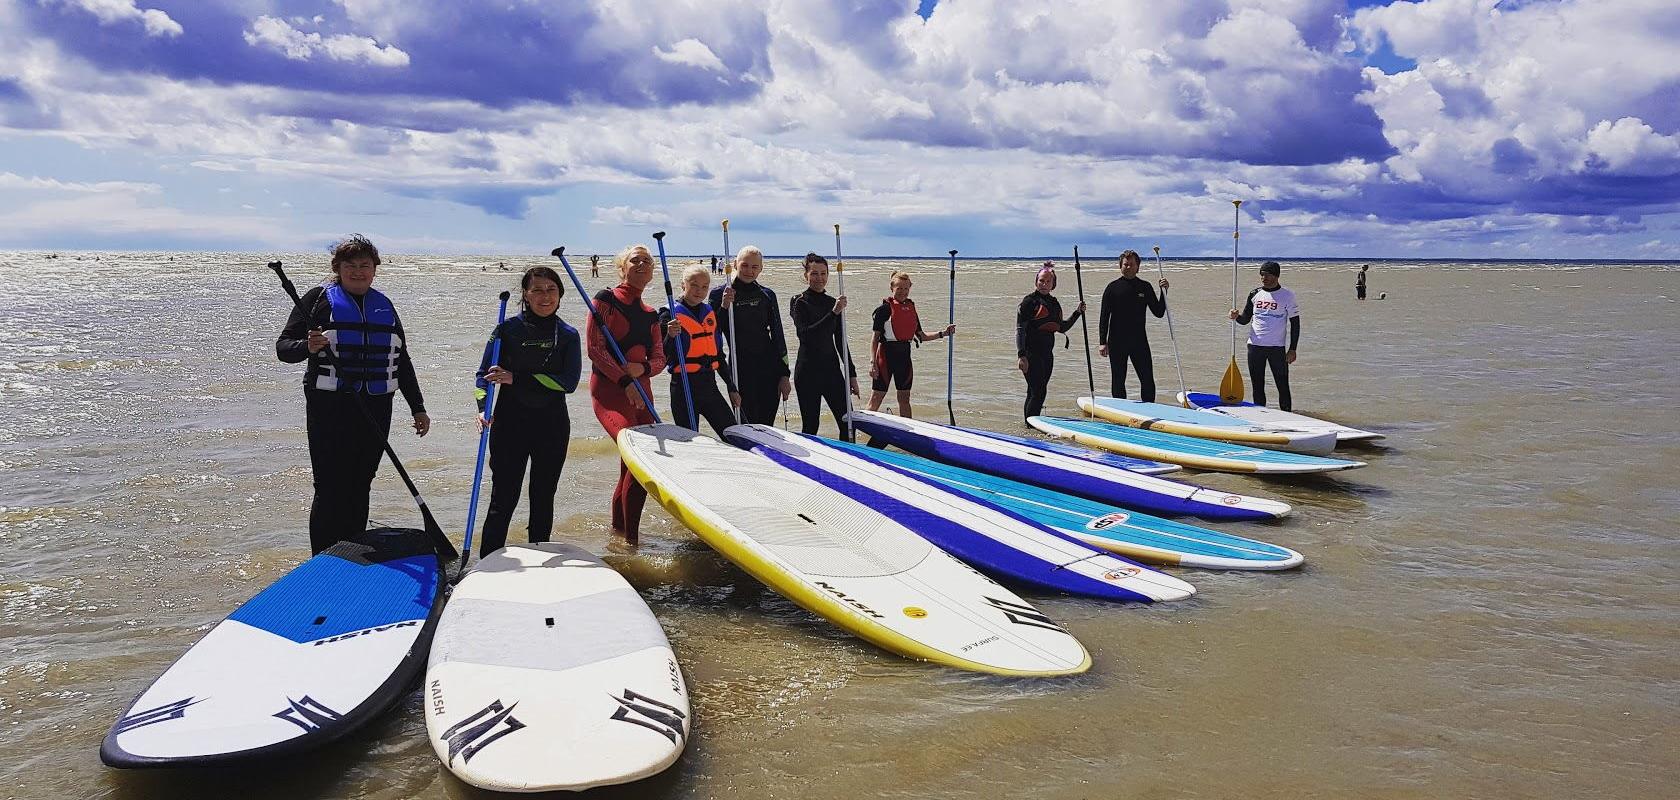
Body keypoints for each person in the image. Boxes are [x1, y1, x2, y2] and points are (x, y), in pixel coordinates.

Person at [275, 234, 430, 554]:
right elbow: (284, 348)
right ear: (337, 267)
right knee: (330, 487)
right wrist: (308, 346)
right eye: (350, 266)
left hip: (375, 406)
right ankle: (322, 556)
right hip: (329, 407)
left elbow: (401, 360)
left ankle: (353, 549)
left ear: (375, 269)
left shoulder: (384, 305)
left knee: (361, 484)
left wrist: (418, 407)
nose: (358, 272)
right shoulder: (318, 300)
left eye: (365, 265)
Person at [473, 266, 581, 558]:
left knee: (543, 497)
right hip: (510, 424)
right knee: (503, 499)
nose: (545, 296)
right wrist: (483, 408)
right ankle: (488, 562)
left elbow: (568, 383)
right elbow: (483, 375)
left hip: (552, 426)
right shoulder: (506, 330)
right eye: (537, 290)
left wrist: (517, 378)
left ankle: (540, 557)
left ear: (559, 294)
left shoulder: (568, 335)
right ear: (525, 294)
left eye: (551, 290)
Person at [588, 245, 667, 542]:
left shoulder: (650, 314)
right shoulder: (605, 300)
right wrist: (625, 380)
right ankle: (631, 541)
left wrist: (642, 370)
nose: (642, 264)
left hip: (642, 392)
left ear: (652, 272)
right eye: (635, 260)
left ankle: (620, 535)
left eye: (647, 261)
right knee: (638, 458)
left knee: (630, 468)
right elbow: (595, 350)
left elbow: (660, 358)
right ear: (622, 267)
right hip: (611, 391)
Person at [710, 246, 790, 424]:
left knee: (766, 424)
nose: (749, 271)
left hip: (769, 369)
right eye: (744, 265)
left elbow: (778, 336)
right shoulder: (719, 294)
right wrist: (723, 307)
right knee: (745, 424)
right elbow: (712, 334)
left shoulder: (767, 295)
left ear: (761, 269)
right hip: (740, 369)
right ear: (734, 265)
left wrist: (785, 375)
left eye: (754, 267)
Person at [660, 264, 740, 437]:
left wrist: (731, 386)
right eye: (694, 285)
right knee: (691, 442)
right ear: (683, 285)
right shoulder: (669, 315)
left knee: (732, 434)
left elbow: (717, 354)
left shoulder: (709, 312)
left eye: (704, 287)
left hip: (710, 387)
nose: (699, 290)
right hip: (683, 388)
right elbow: (662, 355)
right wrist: (670, 336)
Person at [789, 253, 860, 439]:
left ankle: (848, 459)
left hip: (832, 372)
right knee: (811, 425)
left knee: (848, 423)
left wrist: (851, 374)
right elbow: (806, 335)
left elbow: (840, 341)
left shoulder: (832, 302)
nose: (819, 278)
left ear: (828, 275)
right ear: (806, 276)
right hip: (807, 373)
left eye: (823, 273)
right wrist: (834, 313)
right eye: (814, 273)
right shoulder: (799, 302)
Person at [868, 271, 954, 417]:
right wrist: (872, 363)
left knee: (904, 398)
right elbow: (875, 338)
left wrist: (943, 333)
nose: (902, 292)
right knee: (877, 396)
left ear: (910, 289)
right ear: (892, 288)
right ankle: (865, 424)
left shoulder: (911, 309)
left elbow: (922, 336)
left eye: (906, 288)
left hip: (904, 358)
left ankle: (907, 430)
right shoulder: (884, 310)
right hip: (885, 357)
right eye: (899, 288)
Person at [1016, 262, 1084, 421]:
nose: (1044, 284)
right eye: (1041, 280)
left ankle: (1029, 426)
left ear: (1053, 284)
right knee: (1039, 392)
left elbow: (1062, 328)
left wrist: (1077, 313)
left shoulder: (1054, 303)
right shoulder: (1029, 302)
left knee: (1034, 391)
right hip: (1031, 354)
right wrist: (1021, 355)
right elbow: (1020, 330)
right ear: (1036, 282)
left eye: (1048, 281)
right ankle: (1032, 425)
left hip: (1047, 355)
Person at [1097, 249, 1168, 402]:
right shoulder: (1112, 288)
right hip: (1116, 341)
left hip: (1139, 341)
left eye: (1131, 264)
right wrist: (1102, 342)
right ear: (1120, 266)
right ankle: (1120, 409)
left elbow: (1159, 312)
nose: (1128, 267)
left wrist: (1164, 292)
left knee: (1147, 378)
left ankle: (1150, 408)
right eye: (1125, 264)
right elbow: (1104, 317)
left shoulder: (1145, 287)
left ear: (1138, 267)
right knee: (1118, 379)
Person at [1230, 260, 1301, 411]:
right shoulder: (1254, 294)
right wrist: (1236, 317)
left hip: (1277, 348)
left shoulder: (1287, 296)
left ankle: (1287, 416)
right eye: (1262, 275)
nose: (1264, 278)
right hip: (1255, 347)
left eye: (1268, 275)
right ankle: (1261, 415)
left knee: (1282, 385)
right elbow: (1245, 320)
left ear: (1276, 276)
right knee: (1257, 385)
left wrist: (1292, 349)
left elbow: (1295, 324)